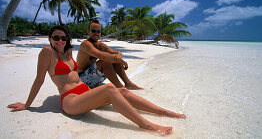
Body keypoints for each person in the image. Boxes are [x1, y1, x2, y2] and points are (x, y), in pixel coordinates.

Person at [7, 25, 186, 136]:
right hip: (71, 101)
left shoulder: (68, 52)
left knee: (122, 91)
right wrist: (27, 104)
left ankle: (165, 112)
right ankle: (147, 125)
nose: (60, 40)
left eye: (63, 37)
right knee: (109, 88)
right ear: (50, 39)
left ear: (67, 39)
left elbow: (101, 55)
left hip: (85, 93)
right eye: (56, 37)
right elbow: (39, 79)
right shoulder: (47, 52)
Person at [77, 20, 143, 90]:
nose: (96, 33)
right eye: (93, 31)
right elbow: (101, 55)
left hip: (95, 79)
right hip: (82, 79)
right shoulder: (85, 44)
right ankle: (121, 88)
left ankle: (128, 83)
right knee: (105, 61)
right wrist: (121, 61)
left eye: (98, 31)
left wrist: (119, 59)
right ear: (88, 31)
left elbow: (118, 53)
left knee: (113, 59)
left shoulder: (100, 45)